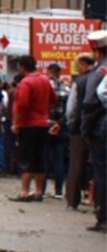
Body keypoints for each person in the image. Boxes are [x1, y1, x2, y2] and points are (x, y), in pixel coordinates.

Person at [10, 55, 57, 202]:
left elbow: (21, 105)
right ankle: (38, 191)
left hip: (28, 124)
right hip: (43, 124)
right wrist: (43, 112)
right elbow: (53, 100)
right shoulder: (45, 80)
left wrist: (16, 123)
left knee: (26, 158)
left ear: (22, 67)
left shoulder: (26, 83)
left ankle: (24, 191)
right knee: (39, 157)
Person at [81, 30, 107, 233]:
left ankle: (103, 217)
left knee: (102, 172)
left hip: (101, 129)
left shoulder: (99, 73)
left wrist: (86, 130)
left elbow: (90, 103)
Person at [66, 54, 96, 210]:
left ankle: (72, 201)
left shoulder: (79, 82)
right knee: (99, 166)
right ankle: (97, 200)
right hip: (98, 128)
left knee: (76, 165)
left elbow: (71, 108)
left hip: (79, 128)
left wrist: (70, 125)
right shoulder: (100, 77)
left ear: (83, 65)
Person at [41, 63, 69, 199]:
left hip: (45, 124)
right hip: (60, 126)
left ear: (48, 72)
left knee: (44, 157)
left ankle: (42, 188)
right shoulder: (65, 88)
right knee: (59, 158)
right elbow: (69, 110)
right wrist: (60, 123)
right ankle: (58, 190)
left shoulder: (44, 87)